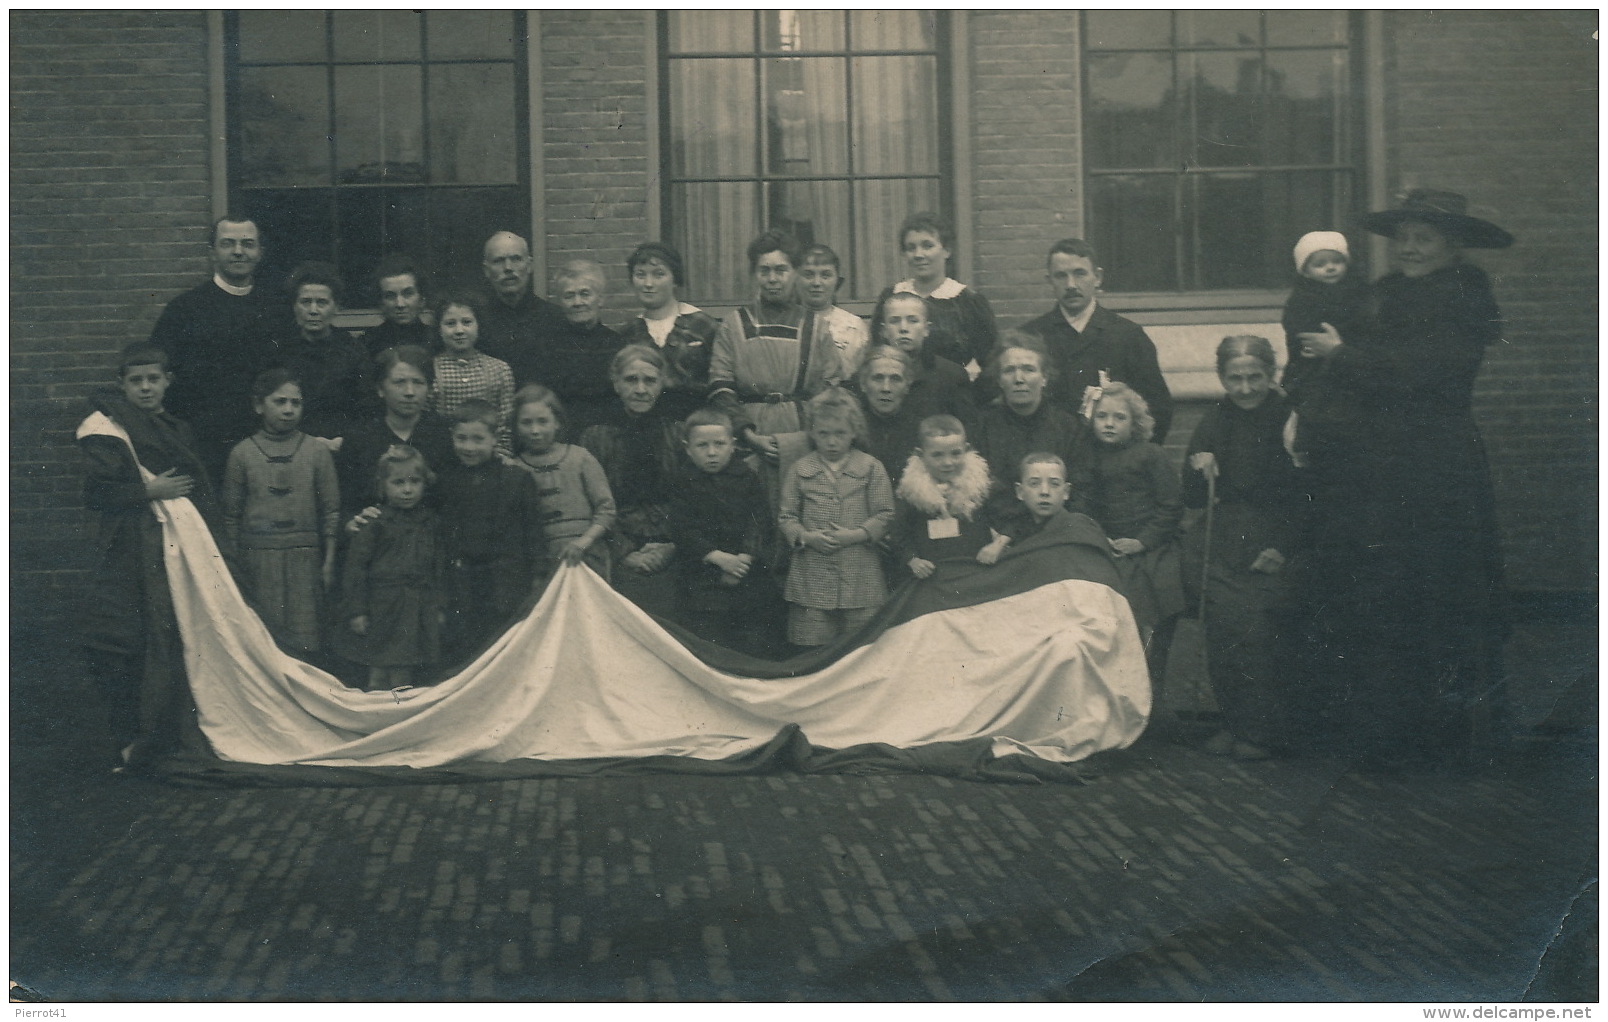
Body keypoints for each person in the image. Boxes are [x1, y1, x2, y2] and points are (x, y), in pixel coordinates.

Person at [1293, 188, 1514, 763]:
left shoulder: (1466, 298)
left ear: (1452, 245)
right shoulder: (1380, 295)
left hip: (1436, 466)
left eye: (1425, 239)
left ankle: (1447, 736)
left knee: (1436, 588)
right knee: (1379, 590)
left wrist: (1345, 357)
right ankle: (1383, 730)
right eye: (1404, 239)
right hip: (1375, 468)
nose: (1410, 249)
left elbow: (1427, 372)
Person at [77, 341, 218, 770]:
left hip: (175, 546)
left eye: (153, 379)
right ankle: (129, 741)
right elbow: (96, 493)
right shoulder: (107, 430)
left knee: (176, 639)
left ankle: (166, 737)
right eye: (135, 381)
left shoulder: (177, 428)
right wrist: (149, 491)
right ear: (121, 385)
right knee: (122, 640)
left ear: (167, 382)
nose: (145, 388)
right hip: (128, 548)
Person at [1182, 336, 1304, 762]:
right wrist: (1200, 469)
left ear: (1271, 374)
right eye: (1235, 379)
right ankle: (1234, 722)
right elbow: (1194, 496)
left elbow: (1309, 491)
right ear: (1222, 378)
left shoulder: (1289, 417)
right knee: (1223, 631)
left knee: (1258, 633)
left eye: (1255, 377)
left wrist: (1283, 545)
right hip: (1226, 536)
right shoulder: (1215, 418)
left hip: (1275, 534)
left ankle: (1264, 731)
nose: (1246, 388)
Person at [149, 215, 285, 480]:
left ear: (260, 253)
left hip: (266, 440)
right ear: (212, 252)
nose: (238, 252)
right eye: (227, 244)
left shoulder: (277, 309)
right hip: (205, 443)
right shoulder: (184, 310)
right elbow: (161, 378)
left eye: (247, 244)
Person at [220, 368, 339, 655]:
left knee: (305, 637)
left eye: (295, 403)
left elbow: (331, 511)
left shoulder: (316, 452)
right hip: (257, 559)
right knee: (264, 639)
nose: (288, 410)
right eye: (280, 401)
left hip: (305, 557)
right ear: (259, 405)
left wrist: (329, 560)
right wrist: (236, 566)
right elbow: (231, 516)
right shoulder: (242, 454)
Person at [708, 229, 841, 477]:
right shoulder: (733, 325)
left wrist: (805, 437)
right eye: (764, 271)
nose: (772, 279)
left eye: (781, 270)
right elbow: (721, 387)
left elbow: (830, 388)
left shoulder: (815, 327)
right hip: (747, 437)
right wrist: (748, 435)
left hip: (802, 436)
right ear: (754, 275)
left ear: (795, 274)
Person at [1074, 382, 1185, 679]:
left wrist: (1142, 541)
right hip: (1108, 543)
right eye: (1102, 416)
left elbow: (1171, 506)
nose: (1109, 424)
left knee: (1150, 600)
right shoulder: (1089, 458)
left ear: (1135, 422)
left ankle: (1150, 679)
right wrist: (1100, 538)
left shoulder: (1150, 455)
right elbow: (1082, 505)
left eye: (1119, 417)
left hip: (1151, 545)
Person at [1019, 238, 1174, 442]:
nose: (1071, 285)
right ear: (1050, 281)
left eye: (1080, 273)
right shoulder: (1031, 337)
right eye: (1060, 276)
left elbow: (1157, 408)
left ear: (1098, 277)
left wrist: (1131, 458)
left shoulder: (1128, 336)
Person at [777, 388, 894, 648]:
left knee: (863, 648)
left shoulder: (871, 467)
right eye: (823, 434)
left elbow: (885, 514)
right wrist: (806, 537)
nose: (832, 442)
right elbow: (786, 516)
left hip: (861, 575)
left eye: (840, 434)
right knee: (811, 646)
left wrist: (855, 535)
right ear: (812, 433)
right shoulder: (800, 469)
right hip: (811, 576)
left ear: (854, 432)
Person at [434, 400, 549, 659]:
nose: (469, 447)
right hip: (461, 582)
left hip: (505, 581)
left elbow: (534, 534)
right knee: (465, 647)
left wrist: (538, 578)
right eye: (461, 438)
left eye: (478, 439)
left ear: (495, 438)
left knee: (504, 646)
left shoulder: (516, 479)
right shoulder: (445, 480)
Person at [579, 345, 686, 618]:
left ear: (662, 383)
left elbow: (692, 498)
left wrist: (672, 545)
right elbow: (591, 503)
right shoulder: (596, 436)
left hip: (672, 544)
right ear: (616, 384)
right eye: (631, 380)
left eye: (649, 381)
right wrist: (624, 551)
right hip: (615, 546)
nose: (640, 389)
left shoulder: (677, 433)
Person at [667, 407, 783, 656]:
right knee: (709, 642)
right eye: (702, 445)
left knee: (757, 638)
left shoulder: (747, 477)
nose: (711, 452)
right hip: (702, 575)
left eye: (719, 444)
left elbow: (760, 522)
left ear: (732, 445)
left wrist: (744, 559)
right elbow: (682, 528)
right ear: (688, 448)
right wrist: (717, 557)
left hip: (748, 573)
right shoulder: (682, 481)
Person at [337, 445, 447, 691]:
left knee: (403, 671)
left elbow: (439, 568)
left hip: (417, 605)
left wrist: (439, 604)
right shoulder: (374, 523)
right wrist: (357, 611)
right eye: (398, 482)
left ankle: (398, 720)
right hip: (382, 607)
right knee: (378, 670)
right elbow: (356, 570)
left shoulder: (431, 522)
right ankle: (376, 716)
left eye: (414, 481)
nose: (407, 490)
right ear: (383, 485)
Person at [972, 331, 1090, 538]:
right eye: (1009, 371)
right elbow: (974, 493)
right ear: (999, 380)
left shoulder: (1068, 427)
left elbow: (1081, 490)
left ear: (1044, 378)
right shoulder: (981, 427)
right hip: (997, 535)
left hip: (1056, 533)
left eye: (1029, 369)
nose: (1019, 379)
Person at [1279, 231, 1372, 466]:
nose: (1330, 268)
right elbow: (1296, 326)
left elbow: (1367, 326)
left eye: (1337, 261)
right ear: (1306, 269)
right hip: (1313, 368)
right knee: (1317, 420)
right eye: (1320, 264)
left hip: (1349, 367)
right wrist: (1306, 342)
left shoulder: (1359, 293)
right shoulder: (1303, 298)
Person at [507, 384, 615, 579]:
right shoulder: (514, 469)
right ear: (515, 426)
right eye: (526, 422)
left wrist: (583, 542)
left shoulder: (580, 458)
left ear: (557, 422)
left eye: (543, 421)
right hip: (541, 562)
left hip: (588, 555)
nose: (535, 430)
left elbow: (606, 510)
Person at [335, 345, 454, 519]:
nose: (410, 392)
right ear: (380, 389)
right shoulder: (360, 437)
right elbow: (345, 502)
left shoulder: (443, 434)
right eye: (399, 382)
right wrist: (353, 519)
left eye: (418, 382)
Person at [869, 211, 998, 372]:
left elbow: (991, 363)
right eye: (911, 248)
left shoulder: (968, 301)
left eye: (927, 246)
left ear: (946, 250)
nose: (918, 255)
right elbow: (876, 353)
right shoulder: (891, 297)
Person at [888, 414, 1011, 580]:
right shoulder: (910, 491)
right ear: (920, 454)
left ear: (967, 450)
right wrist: (913, 560)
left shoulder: (982, 485)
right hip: (932, 578)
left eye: (956, 453)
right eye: (937, 455)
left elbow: (1012, 519)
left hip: (977, 571)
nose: (948, 462)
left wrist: (997, 545)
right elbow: (898, 534)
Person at [617, 241, 719, 420]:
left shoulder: (703, 325)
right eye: (640, 275)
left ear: (675, 280)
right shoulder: (629, 333)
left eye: (659, 274)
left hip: (695, 426)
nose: (648, 283)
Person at [273, 261, 370, 445]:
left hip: (340, 444)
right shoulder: (280, 350)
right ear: (294, 306)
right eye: (306, 302)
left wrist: (344, 440)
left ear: (336, 307)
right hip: (291, 444)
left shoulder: (352, 351)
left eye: (322, 303)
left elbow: (365, 407)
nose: (313, 311)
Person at [542, 259, 625, 432]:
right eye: (569, 295)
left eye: (585, 294)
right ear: (560, 302)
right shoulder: (548, 345)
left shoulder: (618, 345)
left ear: (600, 299)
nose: (577, 302)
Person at [428, 287, 515, 450]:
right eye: (450, 323)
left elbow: (506, 425)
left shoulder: (499, 369)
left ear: (479, 325)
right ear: (439, 329)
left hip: (490, 454)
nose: (459, 330)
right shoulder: (430, 369)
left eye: (467, 322)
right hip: (444, 455)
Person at [475, 231, 565, 388]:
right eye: (498, 261)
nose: (508, 268)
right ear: (486, 270)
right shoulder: (476, 321)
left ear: (529, 265)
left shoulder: (556, 318)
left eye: (516, 259)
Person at [875, 292, 975, 432]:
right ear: (884, 331)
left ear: (926, 329)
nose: (903, 328)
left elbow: (967, 430)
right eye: (895, 321)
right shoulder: (870, 375)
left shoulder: (951, 376)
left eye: (913, 320)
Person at [855, 345, 927, 487]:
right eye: (877, 378)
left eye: (895, 379)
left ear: (907, 386)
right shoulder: (850, 429)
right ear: (863, 384)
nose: (886, 388)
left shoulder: (921, 432)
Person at [798, 244, 871, 378]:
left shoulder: (854, 326)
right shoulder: (789, 321)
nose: (816, 282)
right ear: (797, 279)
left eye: (825, 275)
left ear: (837, 281)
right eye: (808, 275)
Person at [361, 254, 434, 357]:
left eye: (408, 294)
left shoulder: (436, 339)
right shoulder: (368, 343)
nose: (400, 304)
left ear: (422, 299)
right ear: (381, 303)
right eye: (390, 296)